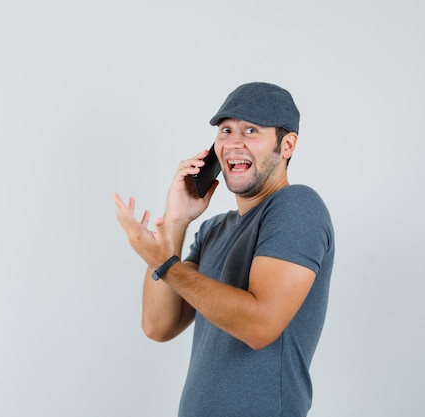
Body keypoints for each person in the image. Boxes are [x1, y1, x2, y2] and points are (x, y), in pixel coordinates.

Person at [112, 82, 334, 417]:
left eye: (251, 130)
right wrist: (175, 223)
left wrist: (162, 260)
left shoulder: (297, 206)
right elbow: (159, 326)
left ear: (286, 145)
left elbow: (260, 327)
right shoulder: (214, 230)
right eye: (226, 130)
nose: (233, 143)